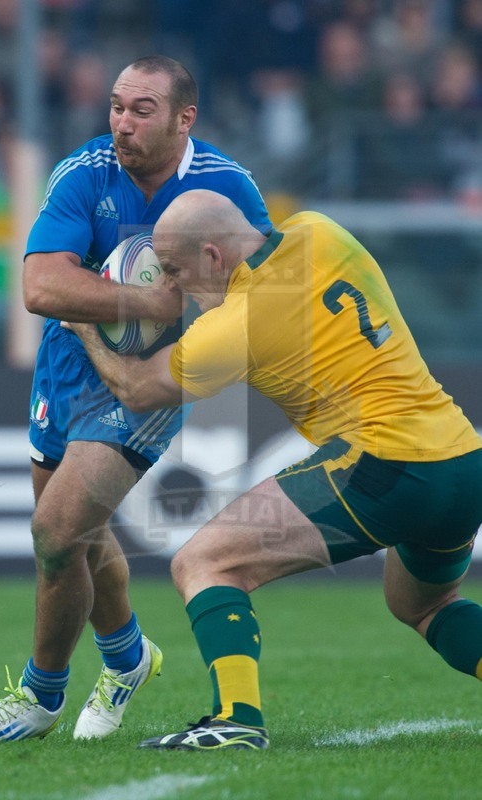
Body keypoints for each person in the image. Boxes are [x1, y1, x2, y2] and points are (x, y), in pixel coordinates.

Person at [68, 189, 482, 751]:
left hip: (384, 463)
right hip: (462, 458)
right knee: (423, 604)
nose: (173, 289)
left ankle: (236, 719)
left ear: (214, 257)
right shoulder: (322, 230)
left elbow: (136, 388)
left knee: (205, 562)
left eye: (175, 271)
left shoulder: (235, 324)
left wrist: (87, 326)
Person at [0, 58, 270, 742]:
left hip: (156, 380)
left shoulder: (226, 190)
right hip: (68, 367)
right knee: (73, 540)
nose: (121, 124)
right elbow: (41, 288)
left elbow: (258, 297)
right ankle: (129, 658)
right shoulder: (83, 171)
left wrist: (171, 324)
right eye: (116, 106)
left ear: (184, 119)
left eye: (141, 111)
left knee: (55, 530)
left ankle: (41, 698)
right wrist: (146, 299)